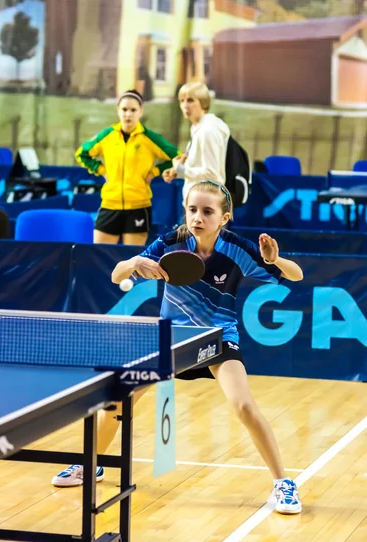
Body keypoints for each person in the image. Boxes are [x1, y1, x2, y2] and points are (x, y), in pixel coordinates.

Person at [52, 180, 303, 516]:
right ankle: (91, 464)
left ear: (224, 218)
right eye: (192, 209)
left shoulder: (238, 249)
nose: (198, 217)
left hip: (218, 338)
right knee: (117, 399)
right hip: (172, 338)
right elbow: (116, 275)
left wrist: (277, 259)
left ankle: (283, 482)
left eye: (207, 211)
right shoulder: (172, 242)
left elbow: (297, 275)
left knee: (242, 405)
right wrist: (135, 265)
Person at [75, 89, 180, 245]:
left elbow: (177, 157)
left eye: (133, 110)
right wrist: (101, 169)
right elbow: (81, 153)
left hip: (138, 206)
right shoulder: (107, 135)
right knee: (100, 257)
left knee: (132, 260)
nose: (128, 114)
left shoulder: (149, 138)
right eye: (124, 109)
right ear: (118, 110)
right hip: (109, 204)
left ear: (140, 112)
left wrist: (156, 171)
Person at [162, 82, 230, 204]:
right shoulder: (198, 128)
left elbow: (212, 174)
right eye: (182, 101)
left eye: (190, 100)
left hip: (204, 205)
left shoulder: (207, 131)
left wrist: (181, 169)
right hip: (197, 202)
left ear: (203, 102)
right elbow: (198, 165)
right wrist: (176, 171)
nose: (185, 105)